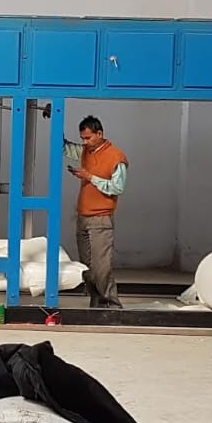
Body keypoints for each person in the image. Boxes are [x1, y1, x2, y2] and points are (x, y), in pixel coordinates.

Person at [64, 114, 128, 309]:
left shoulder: (116, 157)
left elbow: (117, 187)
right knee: (87, 267)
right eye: (82, 138)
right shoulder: (86, 151)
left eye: (88, 138)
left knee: (101, 266)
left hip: (101, 218)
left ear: (99, 134)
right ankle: (97, 303)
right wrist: (53, 122)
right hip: (83, 216)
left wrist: (89, 177)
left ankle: (112, 304)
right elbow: (64, 147)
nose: (85, 142)